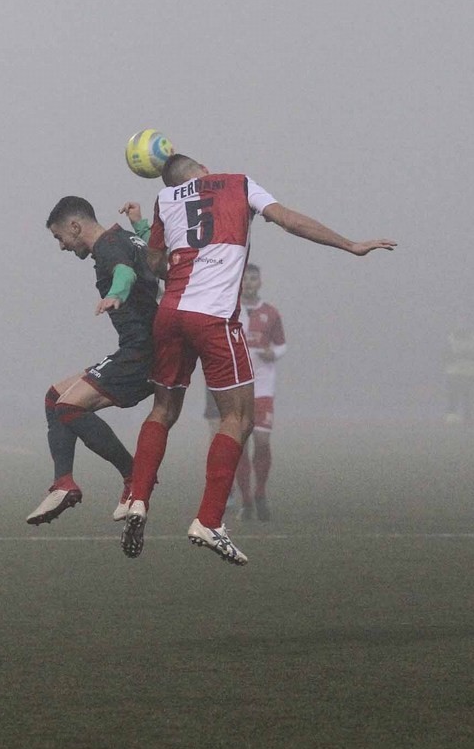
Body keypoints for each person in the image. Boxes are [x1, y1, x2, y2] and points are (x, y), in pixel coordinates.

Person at [120, 153, 396, 564]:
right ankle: (209, 520)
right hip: (212, 318)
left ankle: (136, 498)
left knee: (163, 409)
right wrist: (349, 244)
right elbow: (288, 220)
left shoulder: (166, 200)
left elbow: (157, 263)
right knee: (239, 417)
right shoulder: (238, 183)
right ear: (204, 170)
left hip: (170, 315)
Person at [26, 196, 159, 526]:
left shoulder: (107, 247)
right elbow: (151, 253)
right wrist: (140, 223)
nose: (62, 246)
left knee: (68, 408)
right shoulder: (127, 237)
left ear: (75, 226)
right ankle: (64, 483)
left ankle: (133, 477)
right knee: (55, 396)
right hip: (139, 348)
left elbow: (125, 272)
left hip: (142, 353)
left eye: (60, 238)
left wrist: (116, 292)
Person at [233, 263, 285, 521]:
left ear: (260, 282)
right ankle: (246, 501)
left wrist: (272, 353)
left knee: (262, 443)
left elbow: (282, 345)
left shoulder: (271, 313)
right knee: (239, 445)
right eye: (245, 279)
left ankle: (261, 492)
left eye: (254, 278)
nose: (249, 283)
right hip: (236, 387)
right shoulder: (229, 310)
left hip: (263, 387)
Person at [444, 327, 474, 424]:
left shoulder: (473, 340)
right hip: (454, 372)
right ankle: (452, 416)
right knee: (453, 395)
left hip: (469, 372)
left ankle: (467, 417)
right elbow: (445, 355)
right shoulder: (450, 339)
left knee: (468, 395)